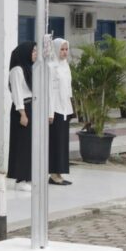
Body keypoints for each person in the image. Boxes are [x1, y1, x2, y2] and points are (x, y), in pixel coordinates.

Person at [8, 41, 37, 192]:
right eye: (33, 52)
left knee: (30, 145)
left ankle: (28, 176)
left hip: (31, 107)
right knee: (22, 145)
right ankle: (20, 179)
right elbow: (17, 93)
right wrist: (23, 113)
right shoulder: (17, 70)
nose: (35, 54)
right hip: (22, 109)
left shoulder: (29, 69)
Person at [49, 38, 73, 185]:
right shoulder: (51, 66)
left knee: (63, 143)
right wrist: (50, 113)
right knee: (55, 143)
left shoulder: (66, 65)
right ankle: (53, 174)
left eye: (66, 49)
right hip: (56, 109)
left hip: (65, 109)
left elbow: (68, 89)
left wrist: (70, 109)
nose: (64, 52)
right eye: (61, 49)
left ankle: (59, 173)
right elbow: (50, 92)